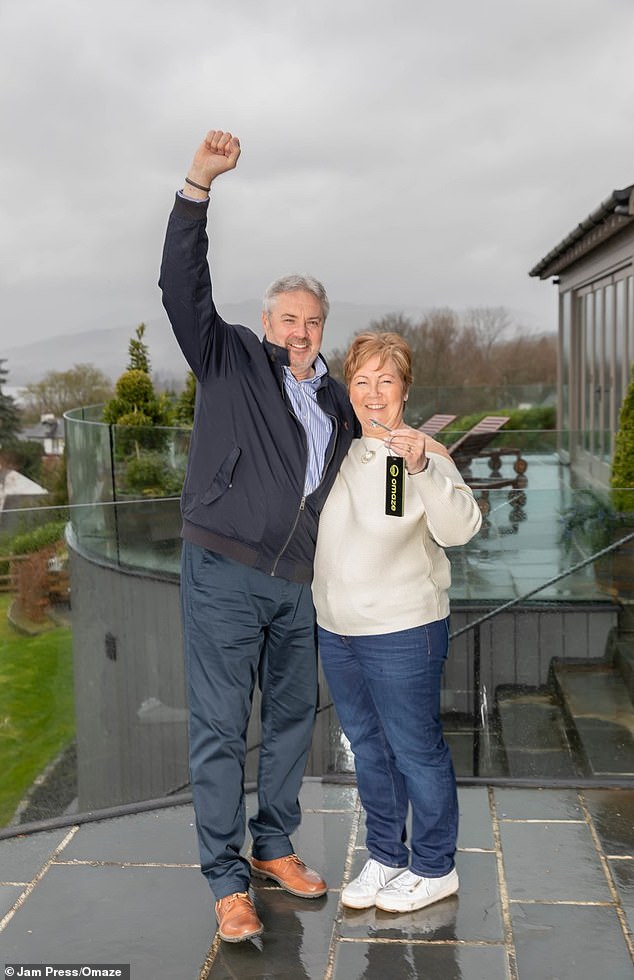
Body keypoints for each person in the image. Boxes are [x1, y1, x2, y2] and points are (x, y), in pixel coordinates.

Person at [159, 130, 355, 943]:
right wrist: (198, 186)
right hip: (225, 569)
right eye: (288, 317)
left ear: (323, 328)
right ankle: (225, 881)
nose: (300, 330)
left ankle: (273, 846)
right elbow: (181, 287)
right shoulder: (230, 356)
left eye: (312, 321)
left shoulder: (340, 402)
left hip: (297, 583)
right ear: (266, 321)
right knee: (217, 726)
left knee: (286, 721)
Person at [312, 331, 482, 914]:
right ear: (347, 389)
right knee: (369, 748)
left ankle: (435, 867)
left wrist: (423, 467)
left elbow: (460, 530)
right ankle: (386, 854)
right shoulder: (337, 450)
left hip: (403, 630)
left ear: (405, 388)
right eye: (361, 380)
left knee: (415, 750)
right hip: (336, 630)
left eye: (386, 379)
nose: (373, 392)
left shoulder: (424, 454)